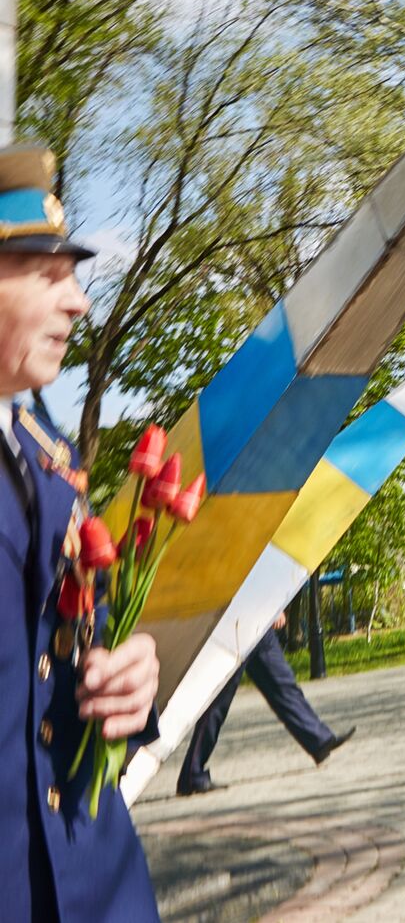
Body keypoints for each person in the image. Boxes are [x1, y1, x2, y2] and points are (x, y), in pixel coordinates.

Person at [0, 144, 161, 919]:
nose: (79, 302)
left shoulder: (46, 449)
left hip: (94, 878)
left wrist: (131, 680)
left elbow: (69, 644)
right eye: (49, 274)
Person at [176, 611, 355, 795]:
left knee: (282, 684)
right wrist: (270, 609)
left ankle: (319, 740)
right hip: (234, 625)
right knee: (219, 701)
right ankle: (192, 774)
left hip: (257, 624)